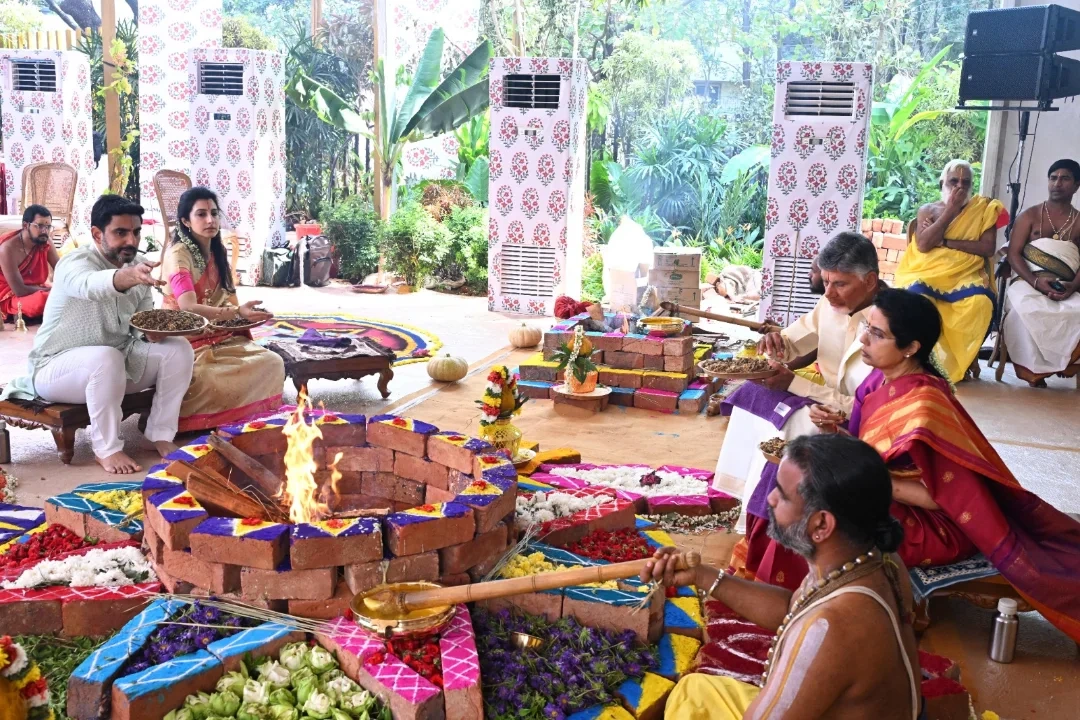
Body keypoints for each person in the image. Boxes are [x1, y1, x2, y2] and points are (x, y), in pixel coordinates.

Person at [747, 288, 1080, 643]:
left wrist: (866, 481)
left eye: (877, 334)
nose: (863, 340)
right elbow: (864, 447)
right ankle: (782, 593)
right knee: (789, 475)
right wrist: (834, 431)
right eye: (867, 327)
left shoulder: (924, 406)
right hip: (887, 495)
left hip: (931, 524)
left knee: (815, 505)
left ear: (910, 348)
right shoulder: (879, 380)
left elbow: (941, 498)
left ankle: (802, 609)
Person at [649, 434, 923, 720]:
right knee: (695, 691)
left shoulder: (828, 628)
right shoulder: (874, 556)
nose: (770, 498)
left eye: (782, 494)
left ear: (821, 524)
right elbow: (794, 608)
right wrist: (702, 575)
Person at [0, 195, 195, 474]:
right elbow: (90, 285)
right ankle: (107, 449)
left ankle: (159, 434)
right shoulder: (74, 263)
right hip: (56, 368)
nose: (131, 240)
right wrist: (128, 277)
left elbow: (140, 322)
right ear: (97, 234)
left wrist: (149, 334)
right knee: (106, 358)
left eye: (136, 232)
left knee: (178, 349)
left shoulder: (138, 265)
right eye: (121, 232)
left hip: (117, 363)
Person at [715, 232, 881, 543]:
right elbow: (793, 342)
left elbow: (871, 407)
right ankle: (742, 495)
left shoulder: (886, 324)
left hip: (865, 421)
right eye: (826, 281)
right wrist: (776, 343)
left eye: (840, 284)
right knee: (752, 392)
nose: (828, 293)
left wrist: (795, 383)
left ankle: (780, 522)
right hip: (827, 405)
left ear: (870, 281)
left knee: (799, 424)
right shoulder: (829, 305)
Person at [159, 187, 284, 431]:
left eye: (214, 213)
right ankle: (192, 423)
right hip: (186, 339)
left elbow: (229, 299)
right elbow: (187, 306)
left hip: (220, 335)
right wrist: (236, 313)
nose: (210, 220)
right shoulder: (178, 256)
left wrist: (244, 315)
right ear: (185, 221)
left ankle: (240, 419)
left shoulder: (218, 251)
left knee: (272, 362)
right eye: (201, 214)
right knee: (206, 378)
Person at [893, 160, 1009, 383]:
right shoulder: (928, 210)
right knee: (919, 300)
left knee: (979, 303)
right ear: (942, 183)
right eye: (954, 181)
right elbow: (924, 245)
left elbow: (987, 248)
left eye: (966, 182)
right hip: (928, 272)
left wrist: (945, 241)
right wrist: (951, 211)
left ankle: (957, 364)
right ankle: (922, 362)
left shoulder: (984, 209)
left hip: (966, 274)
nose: (960, 186)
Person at [1002, 158, 1080, 387]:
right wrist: (1036, 282)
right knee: (1024, 310)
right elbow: (1013, 254)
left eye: (1065, 178)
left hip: (1065, 285)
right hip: (1027, 282)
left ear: (1076, 185)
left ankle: (1064, 365)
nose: (1057, 183)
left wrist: (1072, 287)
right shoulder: (1030, 215)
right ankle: (1033, 373)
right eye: (1053, 178)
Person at [0, 204, 59, 321]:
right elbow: (19, 290)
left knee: (67, 296)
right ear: (25, 225)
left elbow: (62, 269)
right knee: (44, 300)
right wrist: (51, 291)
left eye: (48, 227)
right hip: (10, 296)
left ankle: (26, 315)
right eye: (40, 226)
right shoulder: (7, 249)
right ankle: (19, 313)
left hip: (37, 289)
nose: (45, 231)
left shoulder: (46, 241)